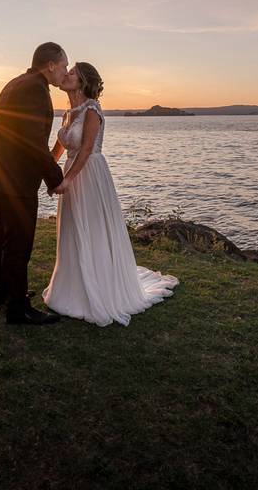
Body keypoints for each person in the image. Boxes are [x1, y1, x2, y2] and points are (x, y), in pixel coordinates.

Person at [43, 61, 178, 326]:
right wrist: (43, 170)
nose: (66, 75)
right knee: (72, 228)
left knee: (92, 228)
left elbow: (86, 150)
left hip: (90, 174)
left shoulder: (92, 110)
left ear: (82, 82)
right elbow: (57, 151)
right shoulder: (67, 113)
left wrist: (68, 180)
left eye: (72, 73)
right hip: (71, 172)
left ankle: (101, 288)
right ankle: (72, 287)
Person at [0, 42, 67, 325]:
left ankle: (1, 292)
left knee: (1, 235)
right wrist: (56, 178)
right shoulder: (35, 89)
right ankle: (18, 308)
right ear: (51, 64)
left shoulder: (16, 83)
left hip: (1, 172)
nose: (64, 72)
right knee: (19, 241)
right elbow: (32, 142)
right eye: (63, 66)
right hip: (16, 178)